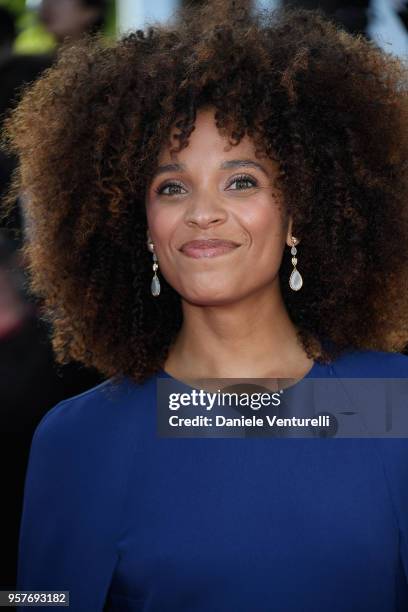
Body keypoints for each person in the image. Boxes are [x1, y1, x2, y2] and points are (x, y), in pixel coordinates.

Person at [3, 0, 408, 609]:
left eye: (241, 180)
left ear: (301, 210)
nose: (202, 212)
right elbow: (40, 602)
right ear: (141, 223)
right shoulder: (83, 439)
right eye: (171, 186)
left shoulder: (390, 405)